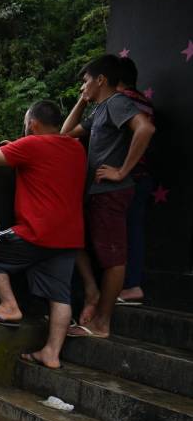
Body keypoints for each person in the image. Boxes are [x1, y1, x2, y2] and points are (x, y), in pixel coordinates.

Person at [0, 101, 87, 369]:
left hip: (37, 230)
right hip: (69, 236)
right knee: (60, 296)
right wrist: (17, 146)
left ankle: (9, 305)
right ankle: (51, 352)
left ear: (33, 124)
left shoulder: (32, 146)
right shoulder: (76, 148)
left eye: (27, 123)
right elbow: (45, 163)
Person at [61, 54, 155, 338]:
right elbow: (65, 134)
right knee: (78, 241)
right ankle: (93, 297)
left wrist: (121, 170)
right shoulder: (102, 108)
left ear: (101, 80)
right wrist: (83, 100)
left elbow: (146, 128)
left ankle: (102, 323)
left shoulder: (118, 103)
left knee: (114, 259)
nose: (83, 86)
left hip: (112, 192)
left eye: (86, 81)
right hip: (97, 193)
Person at [116, 56, 155, 304]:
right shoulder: (145, 101)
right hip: (143, 176)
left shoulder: (123, 101)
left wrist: (121, 171)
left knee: (118, 234)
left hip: (126, 178)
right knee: (134, 231)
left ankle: (126, 285)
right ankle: (132, 284)